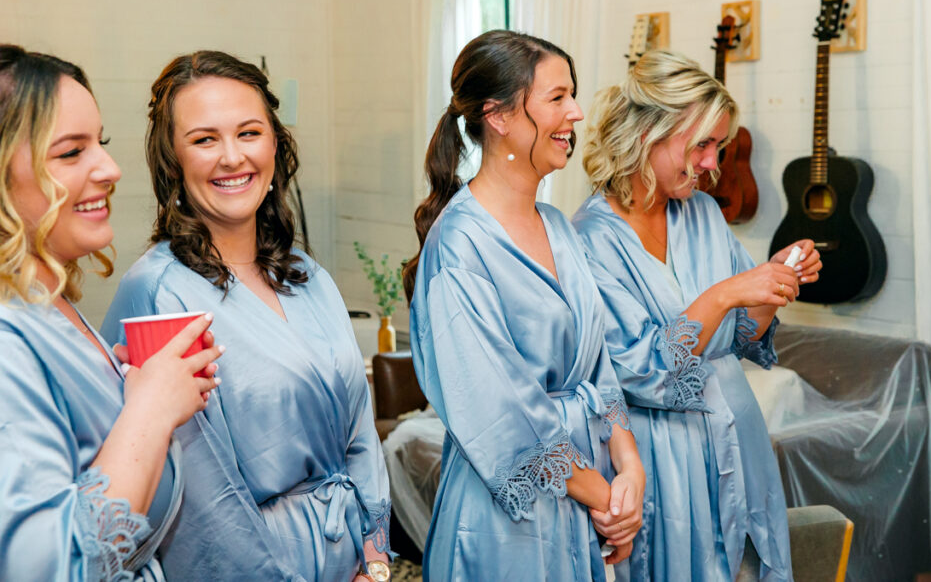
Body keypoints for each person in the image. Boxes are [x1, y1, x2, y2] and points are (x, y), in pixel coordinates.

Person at [101, 51, 391, 582]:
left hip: (352, 556)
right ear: (172, 160)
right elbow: (202, 502)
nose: (232, 157)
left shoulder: (308, 276)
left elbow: (360, 433)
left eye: (249, 133)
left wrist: (372, 556)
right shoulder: (158, 292)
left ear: (275, 144)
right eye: (204, 139)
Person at [403, 30, 645, 581]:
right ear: (499, 116)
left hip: (589, 495)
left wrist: (630, 468)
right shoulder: (459, 245)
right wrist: (606, 499)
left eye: (572, 95)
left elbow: (600, 369)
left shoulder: (560, 228)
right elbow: (498, 411)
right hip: (505, 519)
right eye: (557, 97)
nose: (576, 113)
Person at [572, 51, 822, 582]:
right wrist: (726, 293)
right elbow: (640, 371)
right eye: (702, 145)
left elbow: (742, 336)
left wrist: (774, 283)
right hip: (664, 456)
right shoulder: (590, 240)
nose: (713, 164)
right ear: (649, 134)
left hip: (740, 434)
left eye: (719, 147)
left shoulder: (704, 213)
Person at [0, 45, 222, 580]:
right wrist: (151, 409)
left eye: (99, 143)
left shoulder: (53, 306)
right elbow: (48, 568)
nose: (110, 169)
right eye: (71, 152)